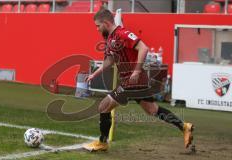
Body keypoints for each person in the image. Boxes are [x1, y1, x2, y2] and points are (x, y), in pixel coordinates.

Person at [83, 8, 194, 152]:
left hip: (132, 81)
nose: (97, 29)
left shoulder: (123, 34)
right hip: (135, 81)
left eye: (98, 26)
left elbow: (143, 48)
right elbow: (109, 60)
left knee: (103, 106)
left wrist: (136, 70)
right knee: (153, 110)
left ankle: (102, 143)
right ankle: (184, 127)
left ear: (105, 22)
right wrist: (95, 74)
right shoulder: (110, 38)